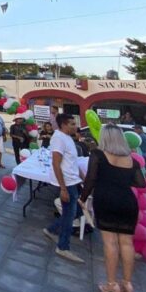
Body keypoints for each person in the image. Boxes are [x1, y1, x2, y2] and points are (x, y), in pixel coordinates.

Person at [79, 124, 146, 292]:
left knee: (110, 243)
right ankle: (127, 283)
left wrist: (83, 198)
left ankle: (111, 284)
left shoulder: (98, 154)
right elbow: (141, 183)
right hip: (127, 201)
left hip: (106, 199)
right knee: (126, 243)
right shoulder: (131, 159)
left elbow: (90, 179)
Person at [42, 113, 85, 263]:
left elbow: (72, 162)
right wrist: (63, 188)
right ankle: (63, 246)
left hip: (73, 180)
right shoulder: (59, 139)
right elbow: (56, 163)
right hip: (66, 183)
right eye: (72, 124)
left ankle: (51, 229)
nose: (75, 126)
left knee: (76, 212)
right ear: (64, 125)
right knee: (69, 215)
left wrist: (81, 177)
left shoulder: (68, 138)